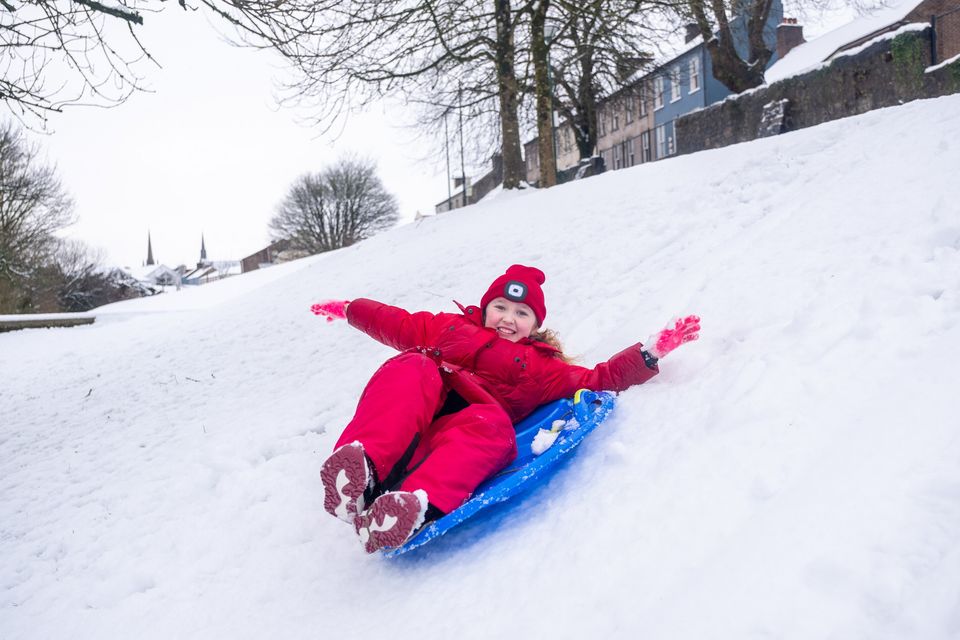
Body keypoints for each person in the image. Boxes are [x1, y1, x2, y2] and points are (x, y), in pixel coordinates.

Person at [311, 264, 700, 553]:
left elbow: (598, 379)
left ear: (535, 325)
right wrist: (350, 308)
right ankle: (362, 472)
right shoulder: (447, 328)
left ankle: (413, 506)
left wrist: (649, 352)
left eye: (521, 313)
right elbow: (396, 322)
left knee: (493, 428)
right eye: (500, 307)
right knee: (412, 367)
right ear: (484, 309)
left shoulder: (543, 368)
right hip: (416, 412)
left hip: (461, 426)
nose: (508, 319)